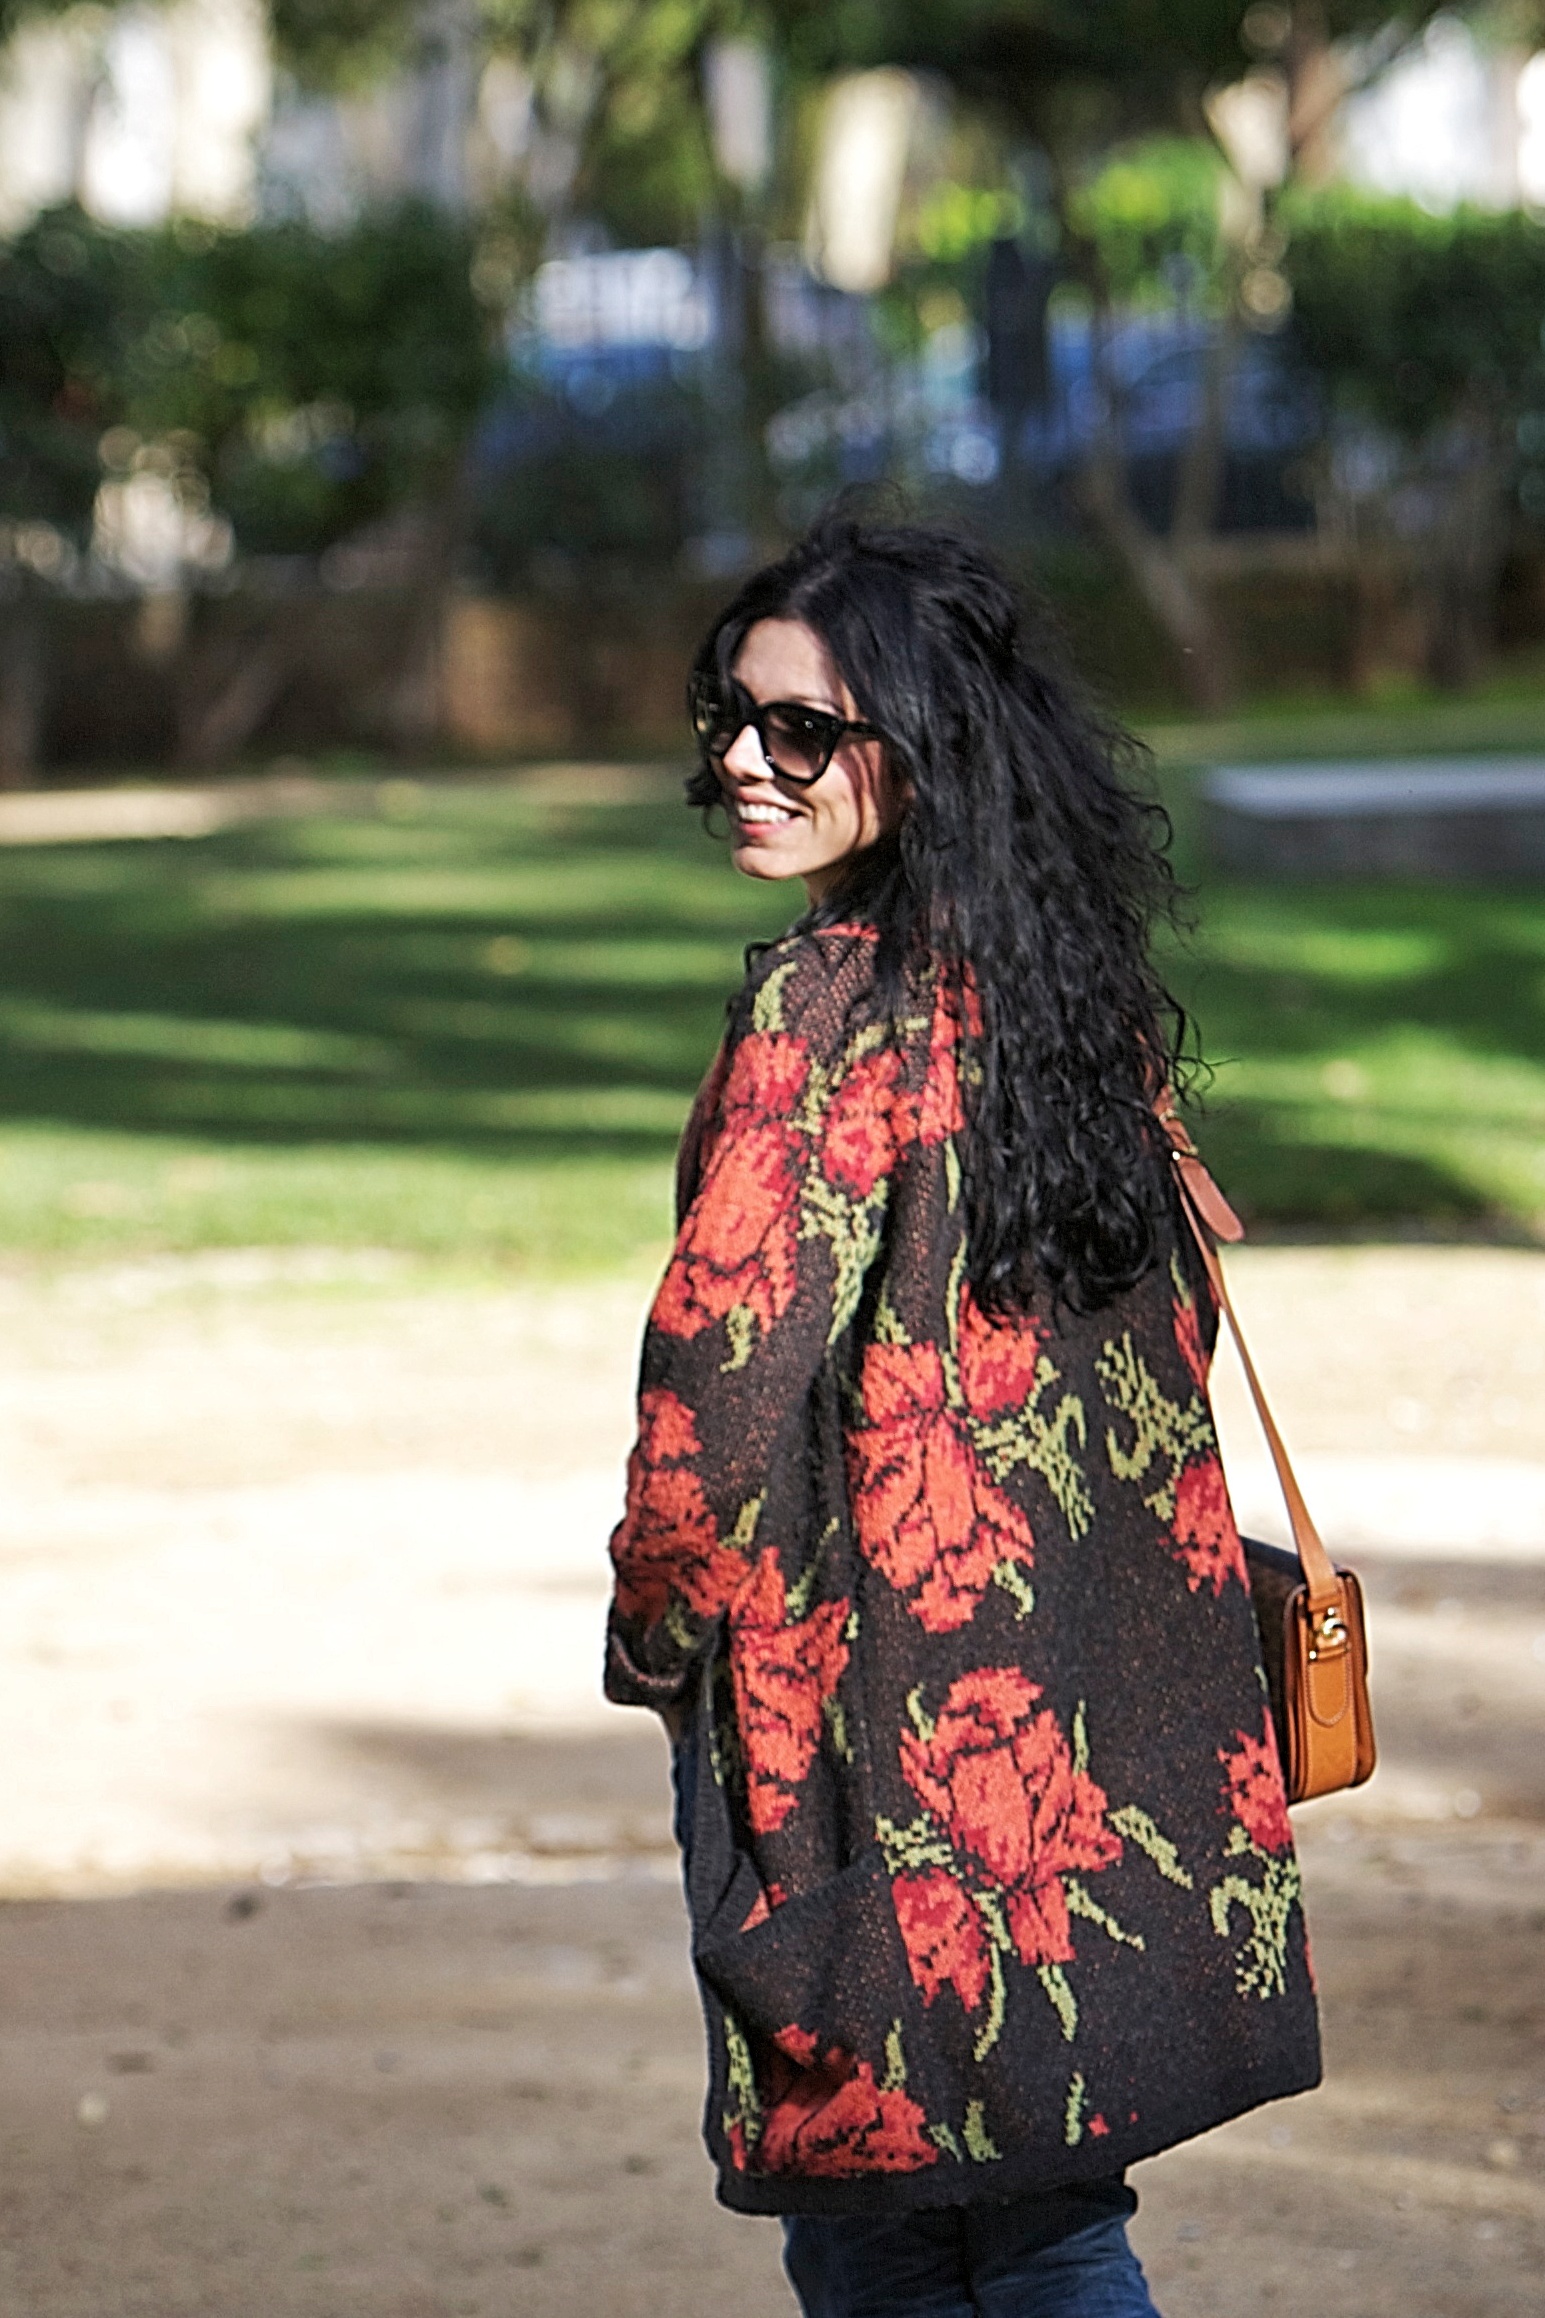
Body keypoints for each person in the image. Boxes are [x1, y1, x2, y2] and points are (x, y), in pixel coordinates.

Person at [603, 517, 1319, 2318]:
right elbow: (1160, 1349)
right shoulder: (1063, 1005)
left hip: (859, 1732)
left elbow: (713, 1399)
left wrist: (657, 1633)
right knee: (1038, 2204)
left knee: (886, 2221)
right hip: (1073, 1715)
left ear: (921, 749)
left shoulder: (823, 1019)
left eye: (801, 730)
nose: (743, 760)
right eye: (730, 718)